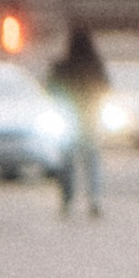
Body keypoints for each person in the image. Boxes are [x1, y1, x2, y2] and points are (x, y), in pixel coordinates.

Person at [47, 21, 110, 217]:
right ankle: (94, 199)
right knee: (91, 162)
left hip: (69, 118)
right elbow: (105, 88)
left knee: (68, 163)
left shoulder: (63, 66)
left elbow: (51, 90)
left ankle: (68, 199)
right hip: (89, 118)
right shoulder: (96, 65)